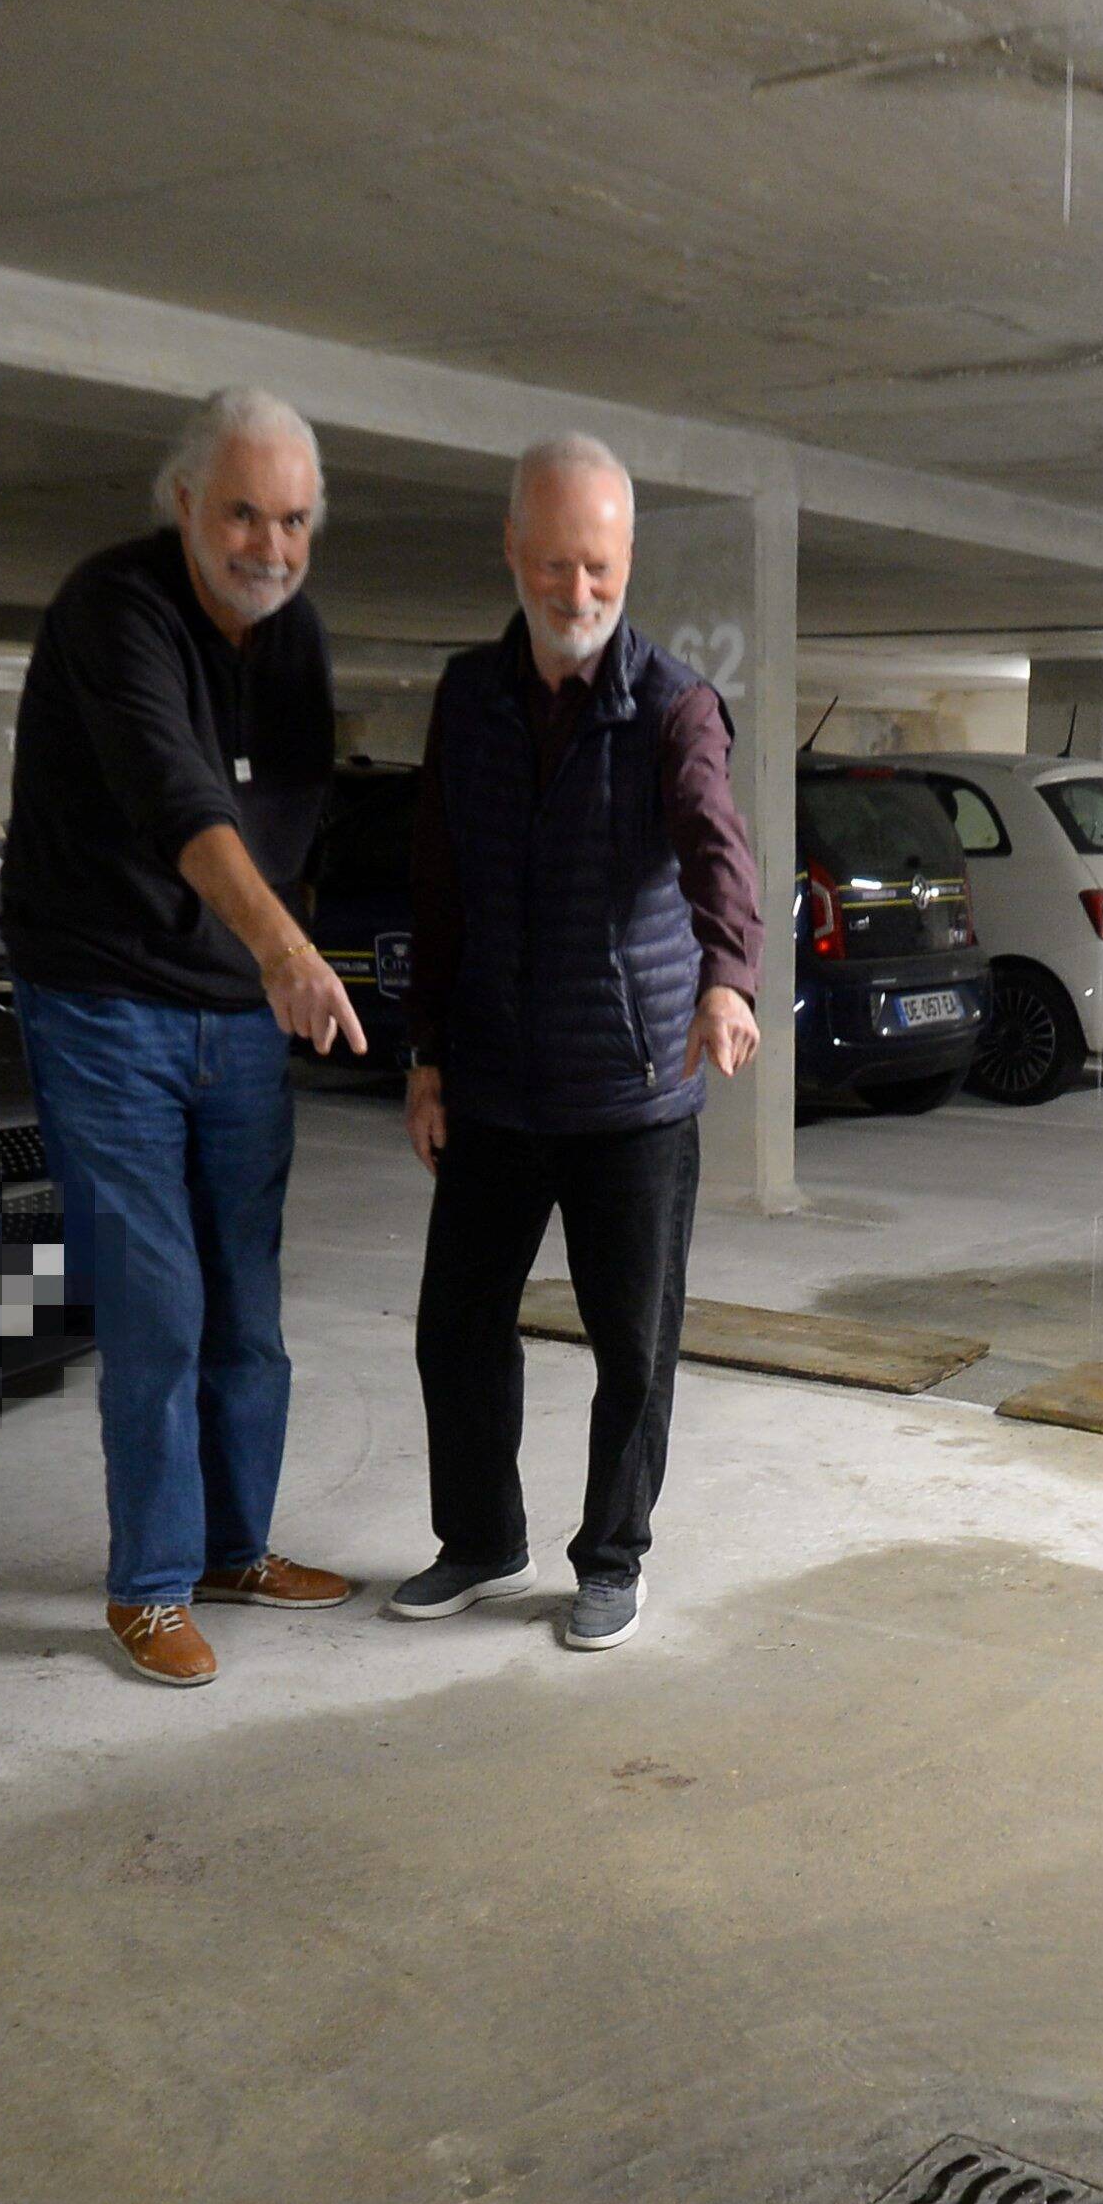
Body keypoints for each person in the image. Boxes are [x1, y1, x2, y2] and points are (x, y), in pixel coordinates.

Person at [0, 386, 369, 1687]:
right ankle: (146, 1587)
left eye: (293, 521)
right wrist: (284, 950)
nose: (268, 544)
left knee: (248, 1308)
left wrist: (275, 947)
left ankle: (234, 1549)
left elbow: (297, 805)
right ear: (185, 506)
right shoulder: (116, 609)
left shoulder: (298, 635)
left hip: (235, 1022)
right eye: (244, 514)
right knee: (159, 1305)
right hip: (105, 1006)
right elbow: (180, 794)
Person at [385, 434, 761, 1655]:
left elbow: (715, 842)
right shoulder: (467, 697)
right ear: (512, 550)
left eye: (598, 566)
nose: (576, 591)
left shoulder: (671, 705)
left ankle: (611, 1559)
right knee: (457, 1326)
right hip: (493, 1081)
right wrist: (427, 1053)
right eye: (554, 565)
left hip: (630, 1091)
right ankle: (480, 1539)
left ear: (627, 557)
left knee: (630, 1346)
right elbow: (436, 884)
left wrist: (727, 975)